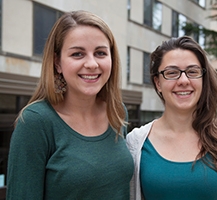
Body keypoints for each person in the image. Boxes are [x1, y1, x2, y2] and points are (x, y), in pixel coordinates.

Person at [7, 10, 134, 199]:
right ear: (57, 63)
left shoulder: (117, 112)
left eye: (100, 53)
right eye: (77, 54)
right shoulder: (36, 122)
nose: (92, 64)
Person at [126, 36, 217, 200]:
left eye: (192, 72)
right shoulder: (135, 143)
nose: (183, 81)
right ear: (158, 83)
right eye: (172, 73)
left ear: (203, 79)